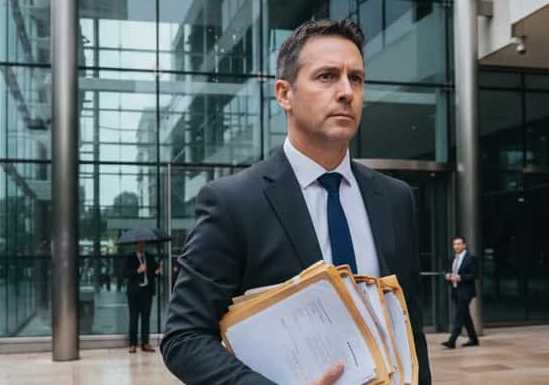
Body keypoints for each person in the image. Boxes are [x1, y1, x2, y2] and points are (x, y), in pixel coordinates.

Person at [161, 19, 431, 385]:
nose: (346, 91)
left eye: (356, 78)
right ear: (284, 94)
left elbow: (410, 327)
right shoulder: (234, 203)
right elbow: (184, 337)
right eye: (326, 76)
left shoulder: (396, 199)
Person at [124, 241, 161, 354]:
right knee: (133, 318)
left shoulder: (149, 257)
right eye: (139, 244)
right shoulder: (130, 258)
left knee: (146, 318)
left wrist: (158, 272)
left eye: (143, 244)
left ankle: (145, 343)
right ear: (135, 245)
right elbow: (124, 273)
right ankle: (133, 344)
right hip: (134, 292)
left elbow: (154, 272)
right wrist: (138, 271)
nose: (141, 246)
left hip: (146, 291)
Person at [441, 235, 479, 349]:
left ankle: (452, 341)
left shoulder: (470, 258)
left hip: (466, 291)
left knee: (459, 316)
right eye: (454, 244)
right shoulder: (453, 258)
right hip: (456, 291)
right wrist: (447, 276)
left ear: (464, 245)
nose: (456, 246)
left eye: (458, 244)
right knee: (465, 315)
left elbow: (474, 275)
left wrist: (460, 277)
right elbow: (449, 271)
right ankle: (474, 339)